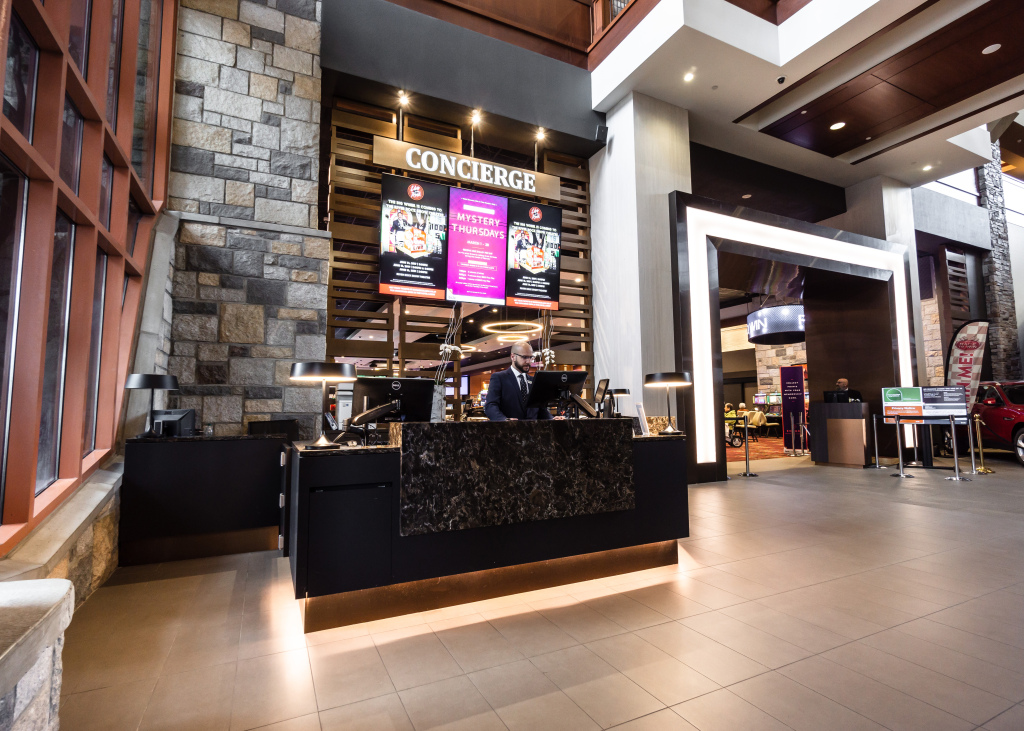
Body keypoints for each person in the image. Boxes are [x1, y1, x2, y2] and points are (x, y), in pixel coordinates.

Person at [485, 342, 562, 421]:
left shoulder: (534, 381)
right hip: (510, 428)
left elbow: (540, 410)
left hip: (533, 428)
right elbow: (490, 406)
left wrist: (552, 419)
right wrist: (504, 420)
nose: (528, 361)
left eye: (531, 357)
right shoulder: (499, 378)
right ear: (513, 357)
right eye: (524, 357)